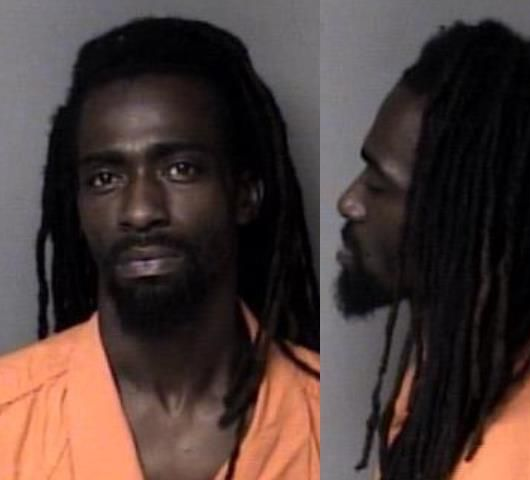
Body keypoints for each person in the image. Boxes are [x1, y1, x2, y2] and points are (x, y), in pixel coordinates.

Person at [0, 17, 319, 480]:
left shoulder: (330, 420)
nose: (140, 211)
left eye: (180, 169)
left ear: (245, 195)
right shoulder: (9, 418)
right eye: (105, 178)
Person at [336, 20, 530, 480]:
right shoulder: (456, 374)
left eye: (379, 186)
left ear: (468, 225)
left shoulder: (524, 456)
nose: (349, 202)